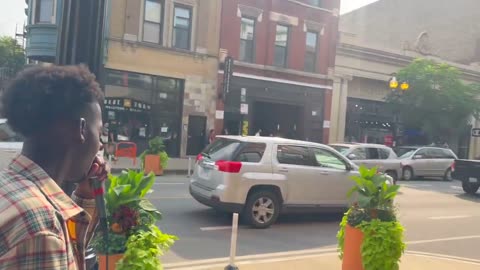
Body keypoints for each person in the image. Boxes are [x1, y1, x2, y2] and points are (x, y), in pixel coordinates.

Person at [0, 65, 109, 270]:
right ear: (81, 129)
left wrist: (85, 195)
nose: (101, 144)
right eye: (99, 131)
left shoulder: (10, 186)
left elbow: (66, 256)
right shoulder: (40, 228)